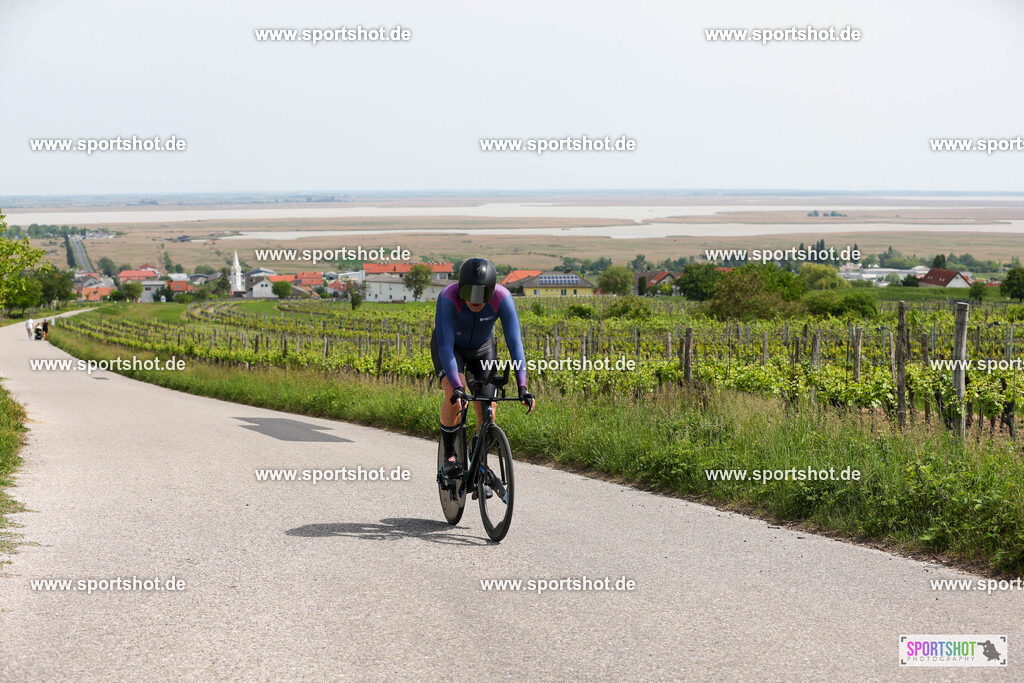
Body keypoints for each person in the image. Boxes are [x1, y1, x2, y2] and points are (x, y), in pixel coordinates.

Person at [432, 258, 535, 478]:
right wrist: (458, 386)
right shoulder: (447, 298)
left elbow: (515, 344)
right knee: (455, 396)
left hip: (482, 349)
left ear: (492, 291)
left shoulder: (503, 298)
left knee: (490, 409)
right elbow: (445, 347)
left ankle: (478, 460)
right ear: (461, 289)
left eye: (482, 295)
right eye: (470, 294)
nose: (476, 301)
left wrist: (523, 386)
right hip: (452, 348)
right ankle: (449, 455)